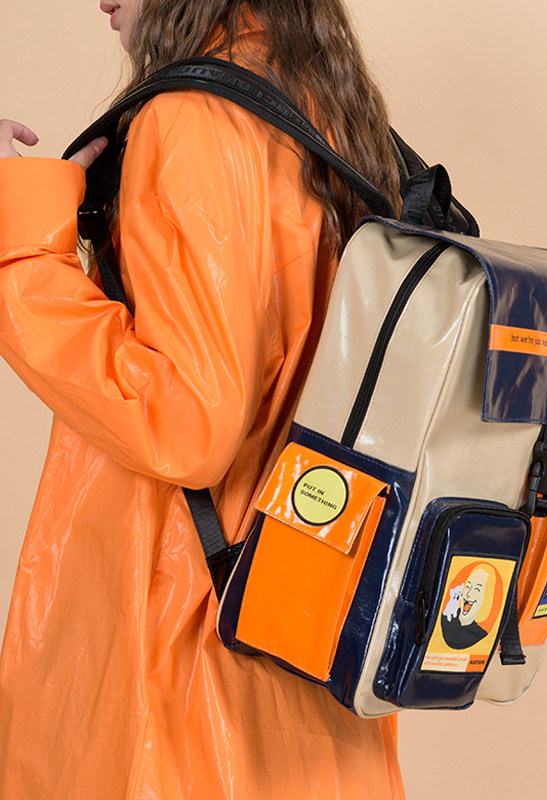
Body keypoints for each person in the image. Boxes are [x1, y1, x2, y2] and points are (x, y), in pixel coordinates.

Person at [0, 1, 405, 797]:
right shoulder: (325, 108)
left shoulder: (193, 118)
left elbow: (188, 424)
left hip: (180, 661)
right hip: (303, 628)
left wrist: (18, 250)